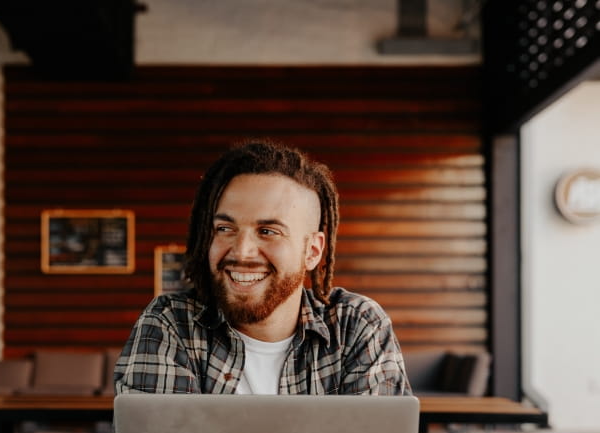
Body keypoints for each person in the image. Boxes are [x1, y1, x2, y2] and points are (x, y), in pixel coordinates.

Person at [115, 139, 410, 395]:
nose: (241, 251)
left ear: (313, 251)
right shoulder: (170, 324)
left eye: (268, 231)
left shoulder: (357, 326)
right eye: (225, 228)